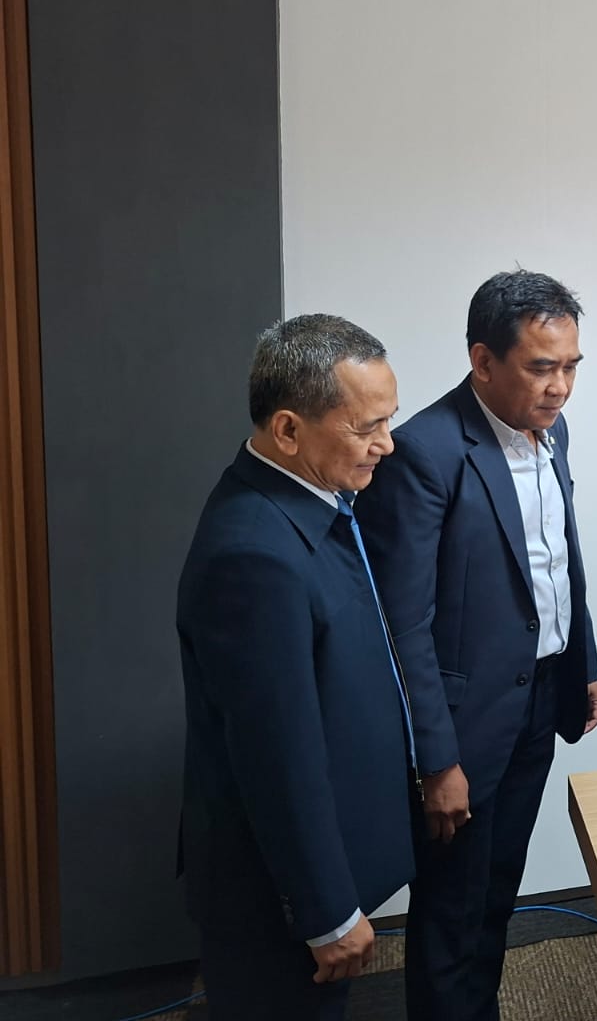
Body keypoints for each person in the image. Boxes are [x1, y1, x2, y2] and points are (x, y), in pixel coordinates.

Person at [356, 271, 597, 1021]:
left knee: (498, 892)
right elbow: (404, 623)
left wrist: (582, 665)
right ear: (483, 361)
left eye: (571, 367)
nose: (560, 388)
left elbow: (555, 559)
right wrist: (437, 760)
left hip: (540, 698)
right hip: (464, 727)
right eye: (541, 367)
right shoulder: (425, 452)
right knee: (452, 911)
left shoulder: (552, 432)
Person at [176, 315, 414, 1020]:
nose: (387, 443)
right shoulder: (253, 554)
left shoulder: (311, 499)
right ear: (288, 430)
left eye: (388, 419)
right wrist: (327, 912)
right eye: (367, 427)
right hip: (276, 899)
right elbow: (276, 753)